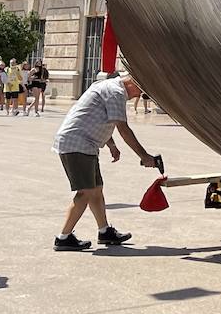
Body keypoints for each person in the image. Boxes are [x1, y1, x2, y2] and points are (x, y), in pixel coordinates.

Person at [52, 71, 160, 251]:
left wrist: (110, 144)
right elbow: (123, 128)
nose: (137, 96)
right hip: (77, 144)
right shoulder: (116, 92)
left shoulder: (108, 87)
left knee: (96, 189)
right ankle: (63, 237)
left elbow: (94, 116)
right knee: (85, 192)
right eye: (139, 92)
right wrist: (144, 156)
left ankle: (104, 232)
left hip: (84, 144)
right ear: (132, 83)